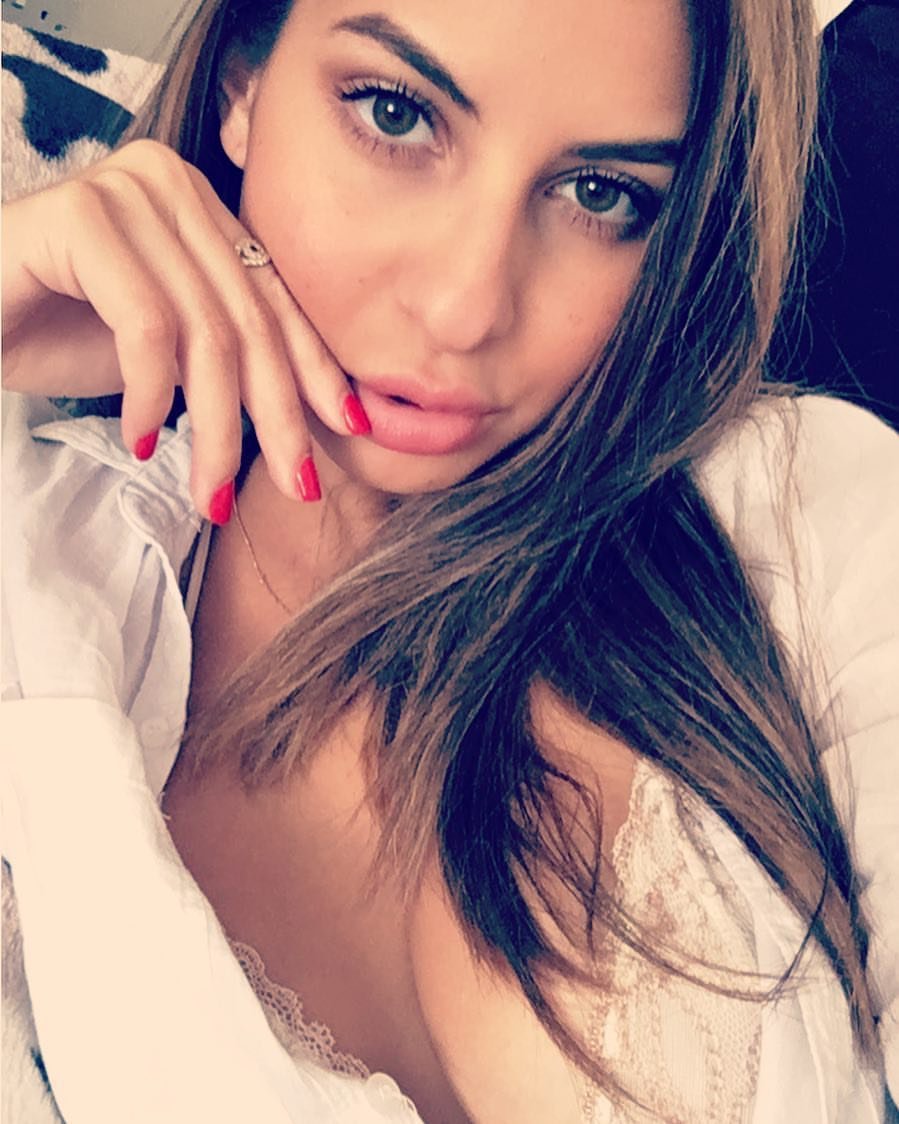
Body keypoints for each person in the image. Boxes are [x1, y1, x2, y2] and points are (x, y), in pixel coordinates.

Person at [1, 0, 896, 1121]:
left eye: (599, 193)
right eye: (394, 113)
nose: (465, 308)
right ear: (241, 84)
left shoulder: (805, 513)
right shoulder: (44, 558)